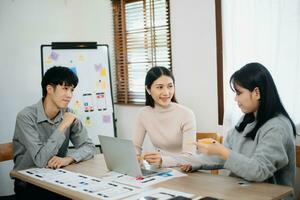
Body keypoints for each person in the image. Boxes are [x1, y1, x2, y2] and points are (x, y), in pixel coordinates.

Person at [181, 62, 296, 199]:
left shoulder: (277, 127)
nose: (236, 99)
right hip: (240, 194)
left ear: (257, 92)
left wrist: (222, 151)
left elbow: (258, 171)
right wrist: (194, 163)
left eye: (239, 93)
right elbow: (223, 156)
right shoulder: (246, 119)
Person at [13, 66, 96, 199]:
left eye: (72, 90)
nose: (69, 95)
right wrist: (63, 125)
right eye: (65, 88)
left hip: (57, 178)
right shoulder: (26, 117)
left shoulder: (69, 114)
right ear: (49, 89)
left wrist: (68, 159)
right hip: (28, 183)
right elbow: (41, 161)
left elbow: (90, 147)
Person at [133, 66, 197, 167]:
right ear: (148, 89)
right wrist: (136, 157)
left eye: (170, 86)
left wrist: (163, 161)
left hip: (183, 171)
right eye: (159, 87)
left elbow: (190, 157)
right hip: (159, 171)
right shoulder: (143, 114)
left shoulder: (186, 114)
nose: (166, 92)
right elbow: (135, 147)